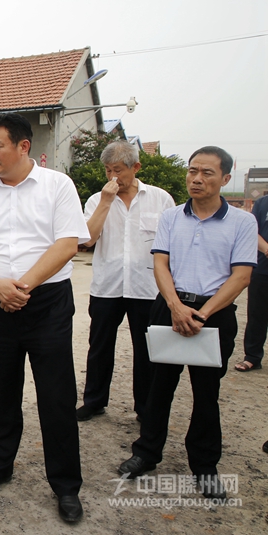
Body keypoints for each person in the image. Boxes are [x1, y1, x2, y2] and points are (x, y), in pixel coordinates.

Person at [0, 113, 89, 523]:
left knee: (56, 396)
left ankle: (65, 485)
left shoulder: (57, 185)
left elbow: (67, 243)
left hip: (47, 303)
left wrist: (23, 286)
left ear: (23, 146)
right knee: (3, 391)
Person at [118, 146, 256, 499]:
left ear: (225, 178)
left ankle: (205, 466)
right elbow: (160, 264)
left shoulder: (242, 222)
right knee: (158, 387)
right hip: (170, 307)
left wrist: (203, 314)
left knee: (206, 394)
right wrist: (176, 307)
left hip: (214, 314)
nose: (196, 178)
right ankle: (146, 452)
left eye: (207, 173)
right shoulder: (172, 217)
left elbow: (241, 276)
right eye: (193, 170)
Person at [76, 141, 175, 422]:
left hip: (147, 287)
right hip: (107, 286)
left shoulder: (160, 199)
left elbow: (171, 244)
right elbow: (87, 239)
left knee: (146, 350)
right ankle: (94, 401)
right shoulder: (96, 201)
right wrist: (106, 202)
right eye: (108, 170)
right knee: (100, 346)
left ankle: (145, 407)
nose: (112, 177)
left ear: (136, 167)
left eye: (118, 170)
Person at [236, 193, 268, 372]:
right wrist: (267, 249)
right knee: (257, 314)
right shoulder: (263, 203)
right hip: (263, 268)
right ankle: (253, 356)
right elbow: (253, 232)